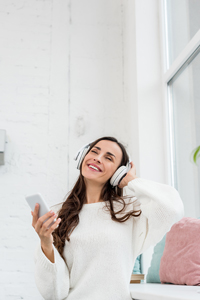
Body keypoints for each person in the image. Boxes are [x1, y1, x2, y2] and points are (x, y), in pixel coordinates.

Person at [31, 136, 184, 300]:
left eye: (108, 157)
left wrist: (131, 181)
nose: (97, 158)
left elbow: (173, 209)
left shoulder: (130, 211)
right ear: (83, 156)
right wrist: (45, 241)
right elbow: (54, 293)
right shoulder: (58, 213)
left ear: (119, 172)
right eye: (94, 152)